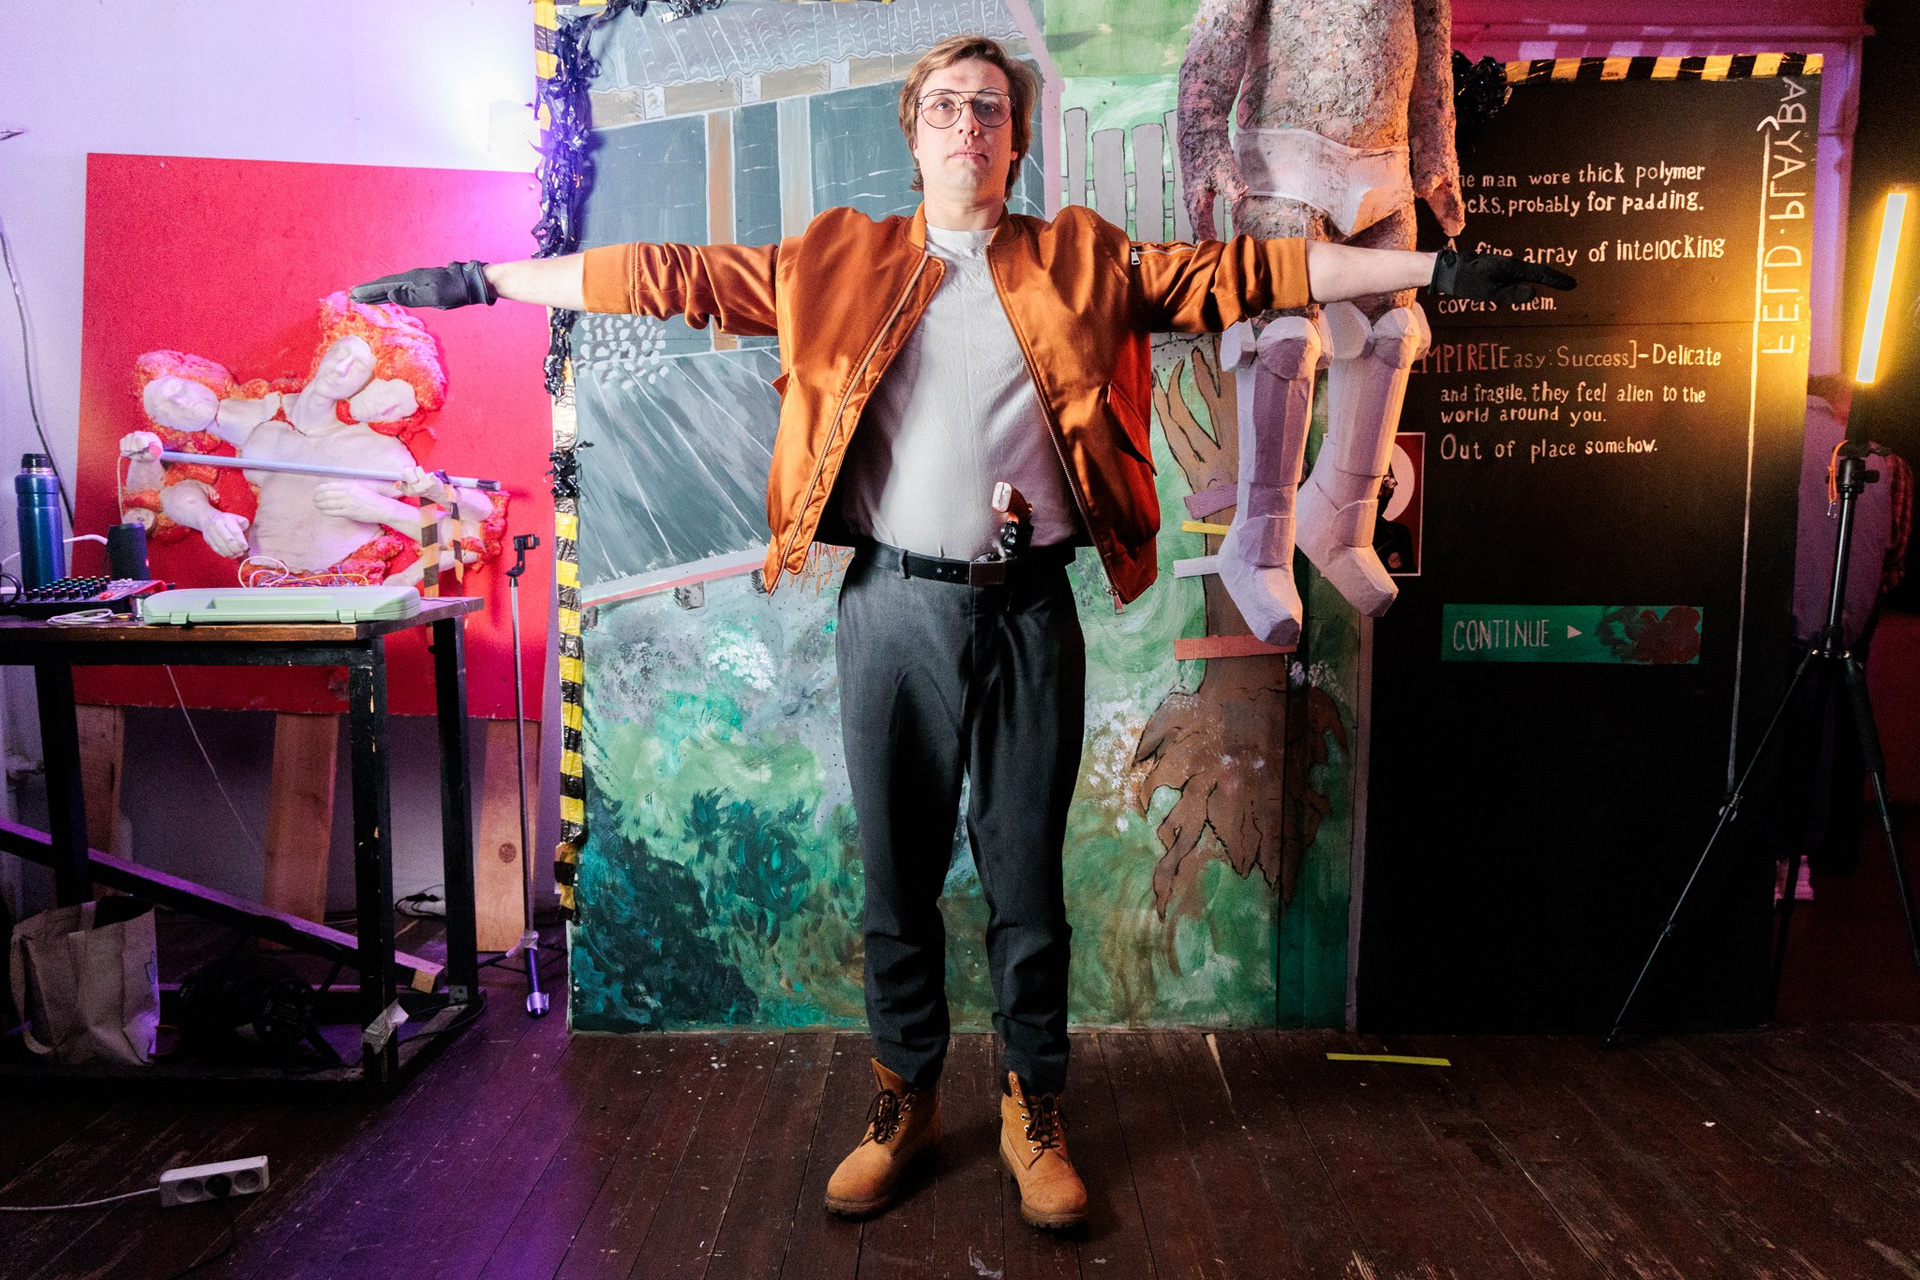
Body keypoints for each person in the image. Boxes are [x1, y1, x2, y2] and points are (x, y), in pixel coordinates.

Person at [351, 33, 1570, 1231]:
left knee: (1026, 881)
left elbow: (1254, 273)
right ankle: (903, 1097)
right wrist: (486, 282)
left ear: (1016, 140)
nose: (968, 125)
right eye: (945, 106)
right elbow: (667, 274)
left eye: (990, 108)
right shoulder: (837, 262)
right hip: (891, 608)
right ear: (914, 133)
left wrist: (1429, 272)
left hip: (1029, 609)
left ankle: (1034, 1108)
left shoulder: (1083, 262)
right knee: (898, 876)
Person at [119, 294, 500, 585]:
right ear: (325, 350)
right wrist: (209, 519)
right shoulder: (266, 432)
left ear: (374, 380)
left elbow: (469, 533)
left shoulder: (381, 453)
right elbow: (167, 496)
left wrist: (380, 510)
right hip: (261, 581)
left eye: (359, 366)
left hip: (347, 591)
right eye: (339, 352)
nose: (341, 368)